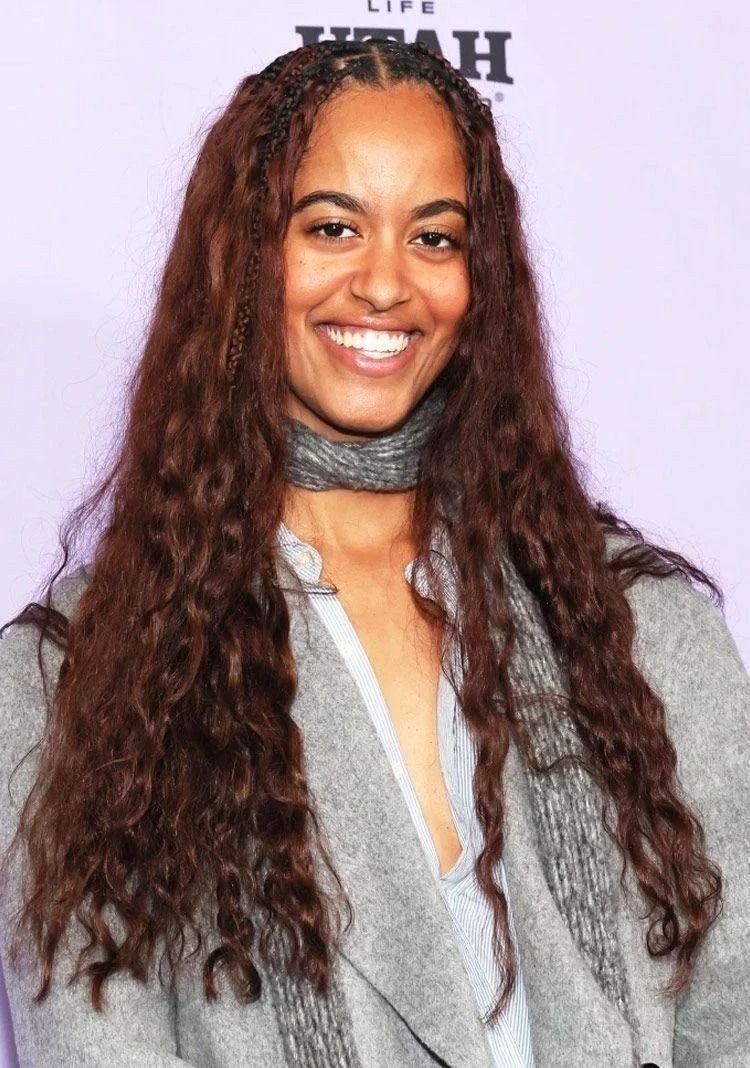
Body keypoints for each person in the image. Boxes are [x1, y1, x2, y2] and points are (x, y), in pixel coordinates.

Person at [0, 37, 747, 1068]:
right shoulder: (73, 682)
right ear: (242, 255)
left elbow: (735, 1013)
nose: (386, 283)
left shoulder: (636, 628)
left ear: (480, 277)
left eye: (434, 237)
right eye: (333, 227)